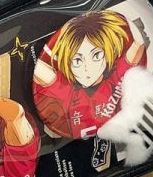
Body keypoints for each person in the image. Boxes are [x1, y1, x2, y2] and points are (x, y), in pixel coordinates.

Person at [32, 10, 147, 140]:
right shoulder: (67, 91)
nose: (87, 68)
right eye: (77, 61)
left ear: (107, 55)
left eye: (96, 55)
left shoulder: (116, 79)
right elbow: (44, 74)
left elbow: (137, 47)